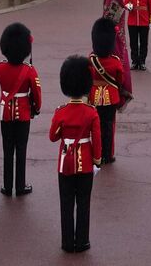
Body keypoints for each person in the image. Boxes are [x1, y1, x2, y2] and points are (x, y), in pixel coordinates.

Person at [49, 56, 100, 253]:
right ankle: (82, 241)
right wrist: (96, 160)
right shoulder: (91, 112)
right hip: (85, 163)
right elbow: (97, 139)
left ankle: (67, 242)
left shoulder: (61, 112)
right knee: (84, 203)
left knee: (66, 203)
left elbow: (53, 137)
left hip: (65, 164)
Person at [0, 23, 40, 197]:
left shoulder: (0, 67)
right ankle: (20, 186)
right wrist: (36, 108)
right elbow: (37, 93)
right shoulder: (29, 71)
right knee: (21, 150)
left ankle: (7, 186)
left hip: (5, 113)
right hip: (23, 113)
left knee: (7, 149)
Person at [87, 17, 131, 164]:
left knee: (96, 126)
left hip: (94, 95)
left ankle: (97, 154)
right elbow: (120, 80)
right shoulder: (115, 61)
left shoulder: (91, 59)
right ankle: (108, 154)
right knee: (109, 126)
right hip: (111, 97)